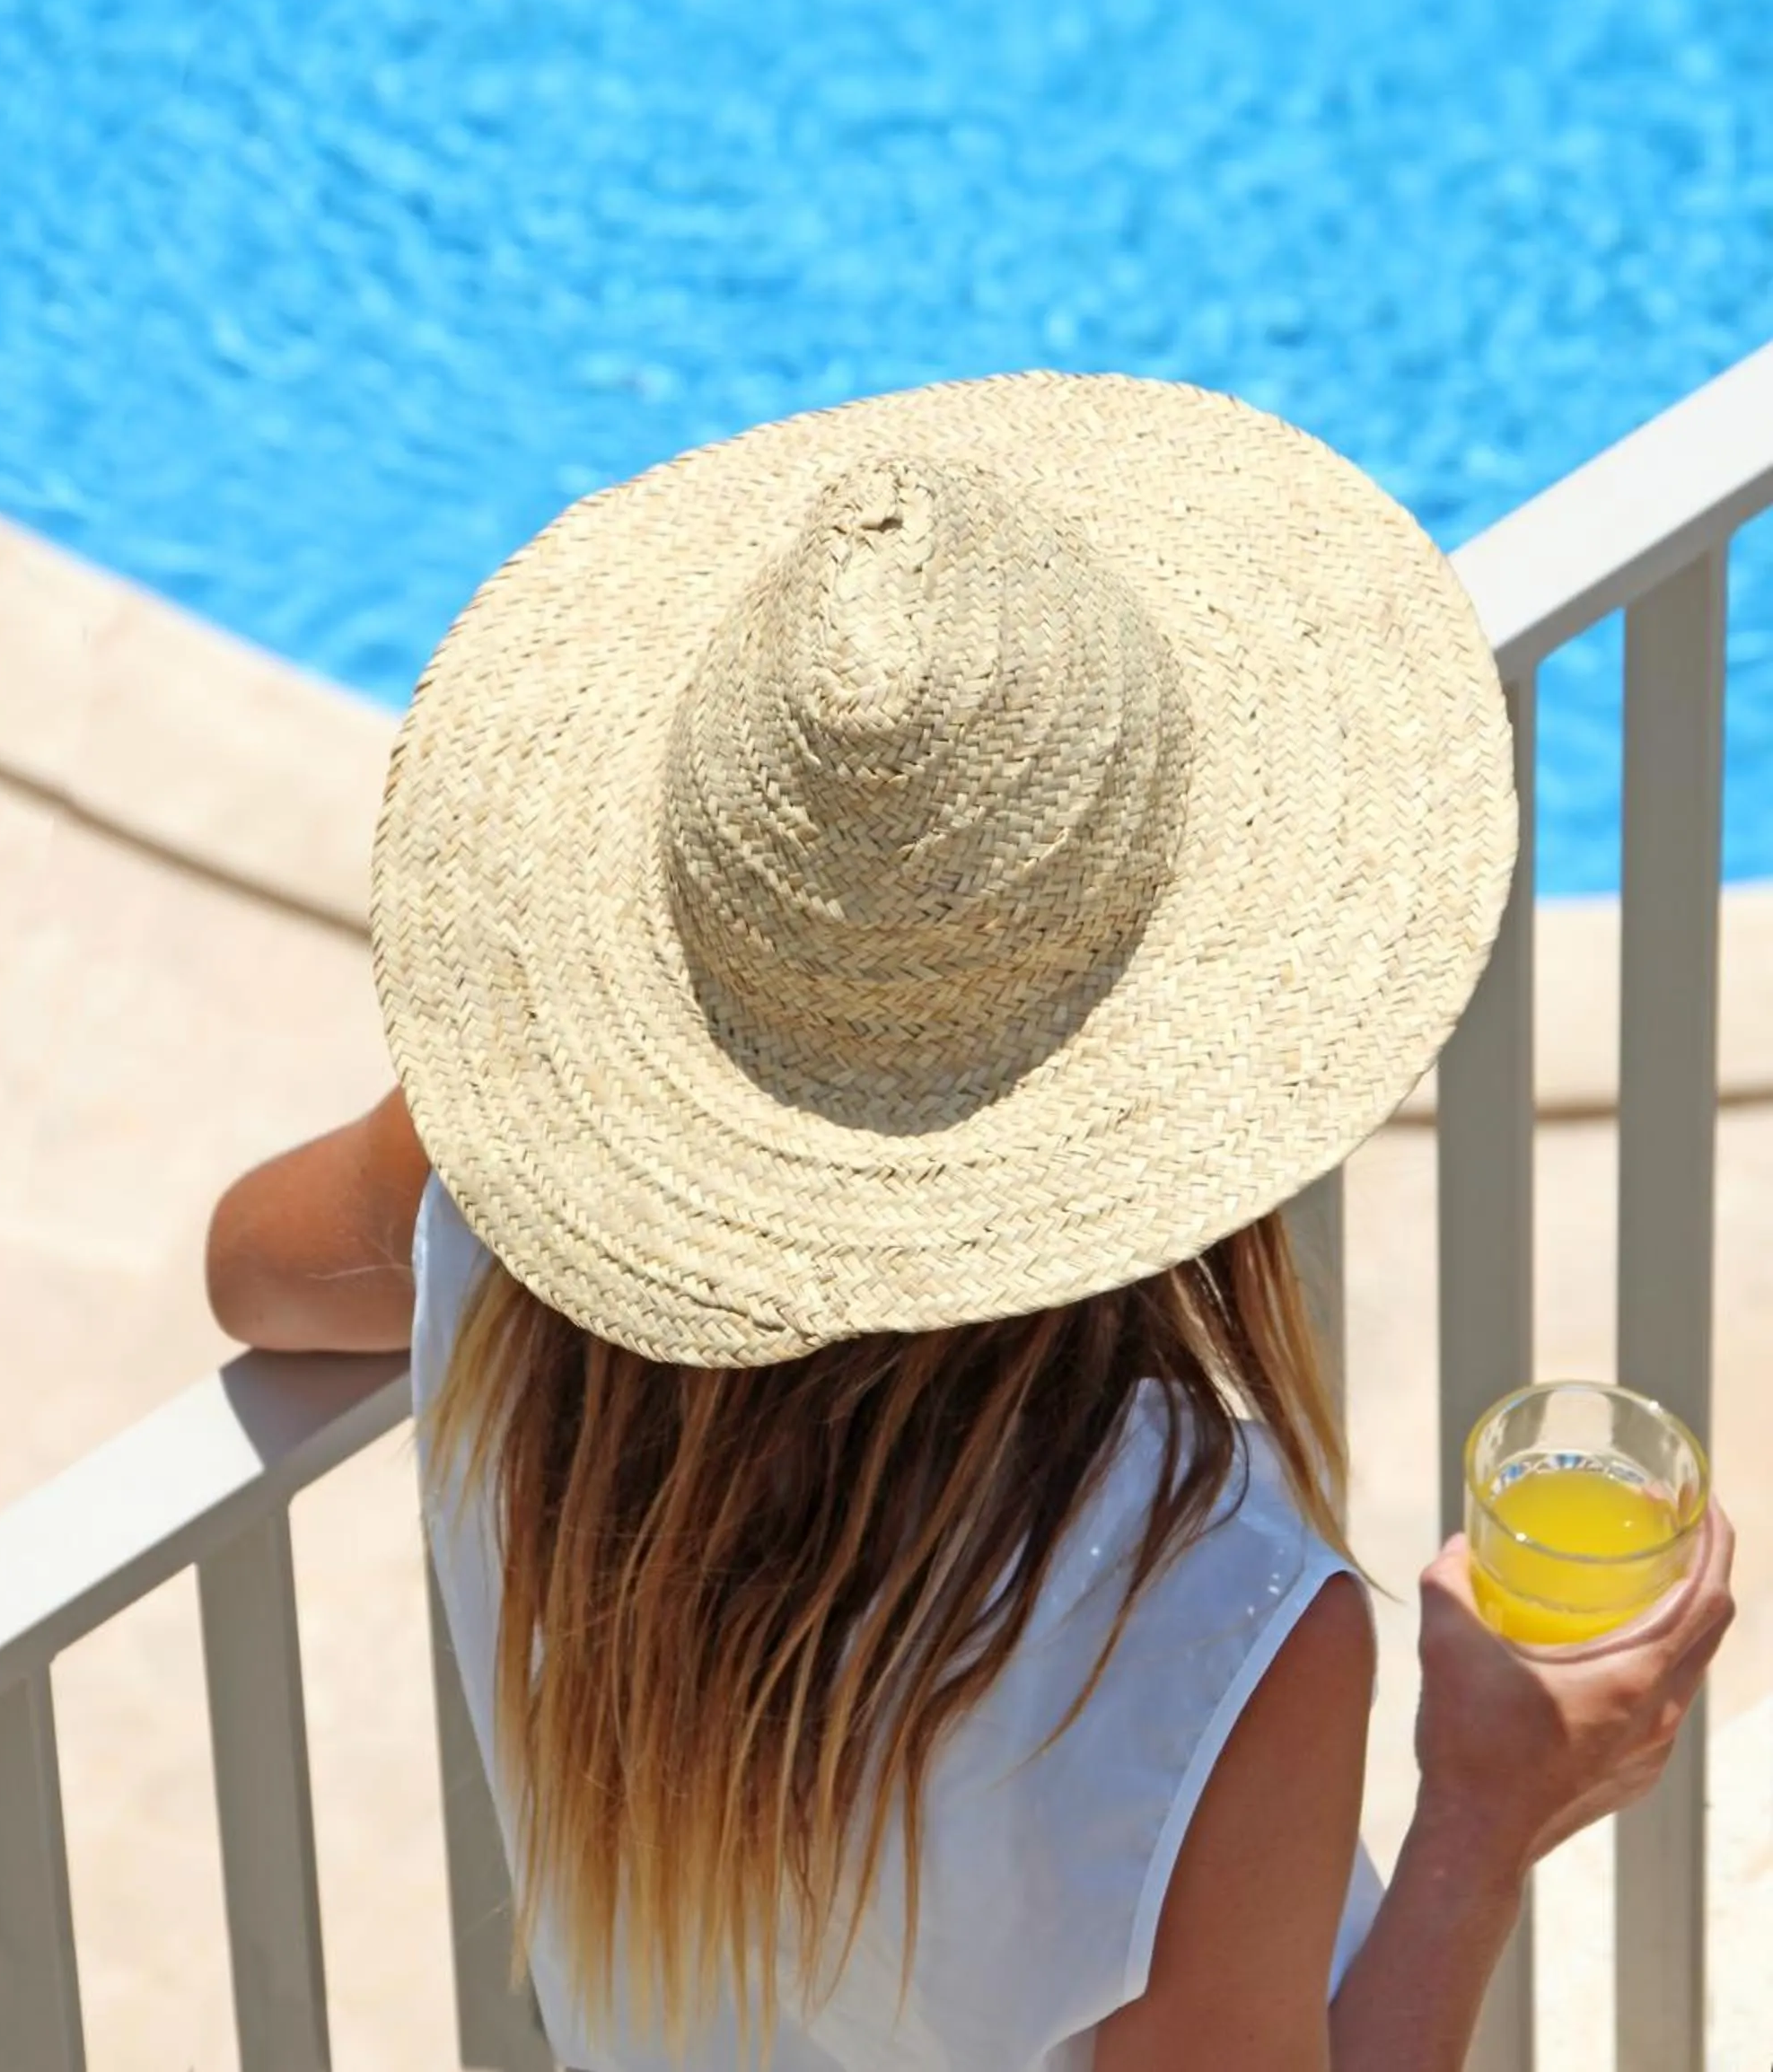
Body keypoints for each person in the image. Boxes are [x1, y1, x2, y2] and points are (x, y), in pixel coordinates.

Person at [207, 373, 1735, 2071]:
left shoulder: (509, 1232)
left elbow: (258, 1271)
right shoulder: (1203, 1615)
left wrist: (512, 1138)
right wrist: (1482, 1825)